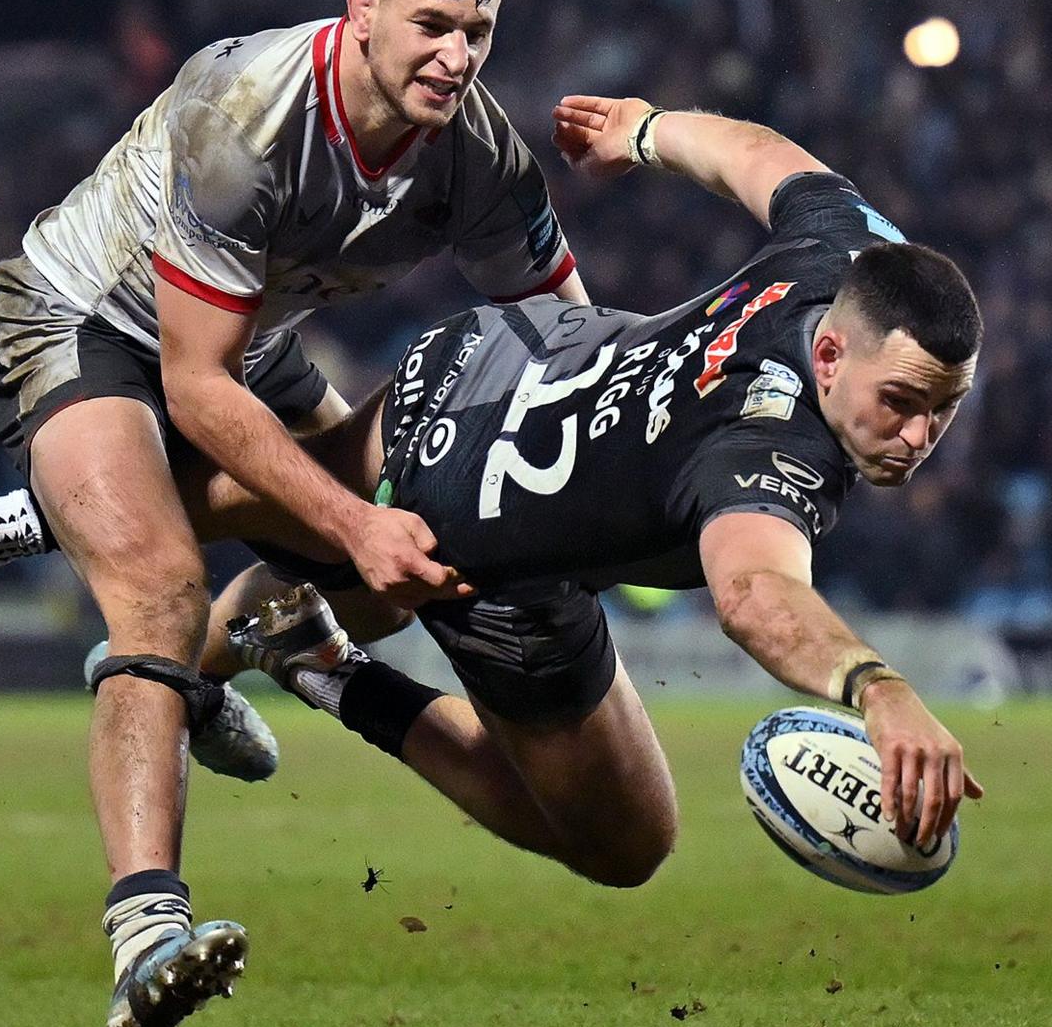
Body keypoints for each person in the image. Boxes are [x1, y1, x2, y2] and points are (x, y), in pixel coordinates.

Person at [0, 0, 595, 1027]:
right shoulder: (246, 116)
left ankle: (227, 631)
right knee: (158, 587)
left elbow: (568, 340)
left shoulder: (476, 154)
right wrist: (350, 522)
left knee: (421, 526)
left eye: (479, 32)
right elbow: (195, 394)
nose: (455, 56)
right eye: (431, 25)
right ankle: (146, 934)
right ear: (360, 12)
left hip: (245, 341)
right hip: (86, 323)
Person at [219, 95, 987, 899]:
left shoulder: (856, 256)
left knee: (259, 520)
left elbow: (760, 157)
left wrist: (648, 131)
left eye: (944, 407)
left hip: (500, 351)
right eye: (901, 401)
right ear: (829, 356)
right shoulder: (772, 447)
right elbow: (756, 591)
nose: (918, 435)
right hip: (484, 515)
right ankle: (329, 667)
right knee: (627, 843)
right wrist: (879, 688)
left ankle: (162, 627)